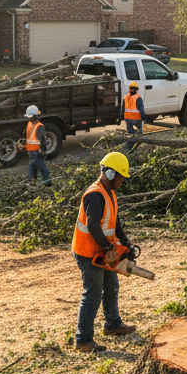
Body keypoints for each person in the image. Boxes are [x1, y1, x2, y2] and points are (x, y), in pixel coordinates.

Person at [72, 151, 137, 353]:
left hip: (101, 249)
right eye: (120, 177)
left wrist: (125, 244)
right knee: (92, 294)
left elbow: (115, 223)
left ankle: (113, 324)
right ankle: (83, 339)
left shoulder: (109, 194)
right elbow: (93, 225)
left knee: (111, 285)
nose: (122, 181)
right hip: (87, 251)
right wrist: (109, 248)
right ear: (110, 173)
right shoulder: (95, 195)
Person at [21, 105, 52, 186]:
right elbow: (41, 139)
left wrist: (42, 150)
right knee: (37, 165)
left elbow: (40, 139)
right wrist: (43, 150)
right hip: (34, 150)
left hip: (33, 150)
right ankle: (44, 181)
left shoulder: (33, 125)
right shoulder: (37, 126)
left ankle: (36, 181)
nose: (29, 119)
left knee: (35, 165)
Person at [123, 82, 145, 151]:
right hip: (136, 119)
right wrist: (144, 117)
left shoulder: (125, 97)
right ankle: (134, 148)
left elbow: (122, 108)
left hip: (127, 118)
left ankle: (128, 147)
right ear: (136, 90)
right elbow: (141, 110)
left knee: (130, 133)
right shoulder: (138, 98)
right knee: (139, 134)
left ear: (129, 89)